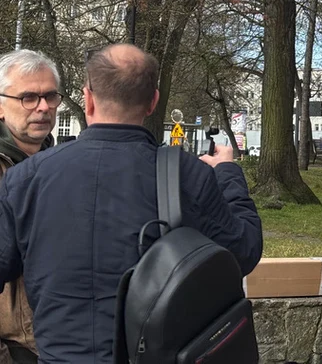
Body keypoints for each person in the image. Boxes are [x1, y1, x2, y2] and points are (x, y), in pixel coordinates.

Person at [0, 44, 262, 363]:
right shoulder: (186, 174)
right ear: (153, 101)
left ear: (88, 98)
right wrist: (228, 173)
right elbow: (243, 252)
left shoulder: (26, 178)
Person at [0, 50, 60, 364]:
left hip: (60, 343)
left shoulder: (63, 166)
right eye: (28, 97)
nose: (43, 107)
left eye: (50, 96)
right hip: (16, 347)